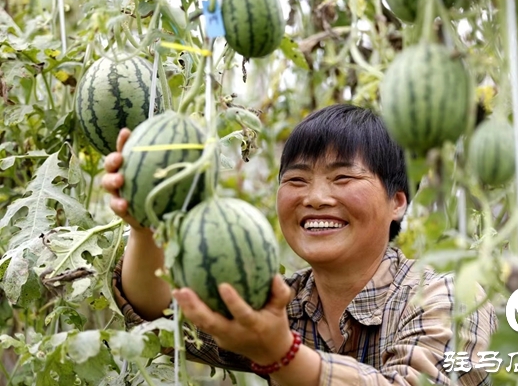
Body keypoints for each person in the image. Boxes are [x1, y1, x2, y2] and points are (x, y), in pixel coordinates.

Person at [104, 104, 497, 386]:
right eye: (296, 180)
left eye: (343, 178)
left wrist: (281, 354)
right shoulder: (281, 302)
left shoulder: (448, 299)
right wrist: (145, 228)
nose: (315, 197)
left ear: (397, 202)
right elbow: (159, 315)